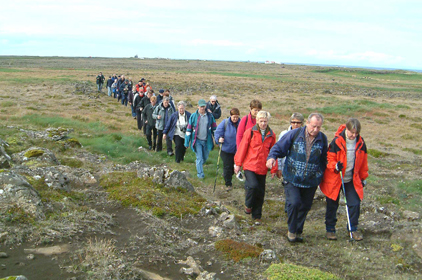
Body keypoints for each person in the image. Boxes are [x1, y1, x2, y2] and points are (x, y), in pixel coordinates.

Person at [266, 113, 328, 242]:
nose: (316, 129)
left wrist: (319, 173)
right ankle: (292, 231)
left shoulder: (323, 139)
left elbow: (324, 159)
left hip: (310, 181)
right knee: (294, 203)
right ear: (307, 123)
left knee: (305, 206)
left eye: (319, 127)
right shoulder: (294, 134)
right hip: (292, 178)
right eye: (314, 126)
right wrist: (272, 158)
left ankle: (298, 231)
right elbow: (278, 148)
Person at [320, 118, 368, 241]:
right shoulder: (337, 142)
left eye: (356, 133)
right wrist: (335, 166)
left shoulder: (361, 143)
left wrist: (363, 178)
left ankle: (353, 229)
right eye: (352, 132)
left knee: (354, 203)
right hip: (336, 178)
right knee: (332, 204)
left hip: (351, 179)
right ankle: (330, 229)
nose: (353, 135)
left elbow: (363, 163)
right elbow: (329, 158)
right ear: (346, 129)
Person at [234, 111, 280, 224]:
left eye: (265, 121)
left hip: (263, 168)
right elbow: (242, 148)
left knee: (260, 192)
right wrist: (238, 164)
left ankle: (257, 216)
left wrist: (274, 169)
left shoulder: (271, 135)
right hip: (250, 165)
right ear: (257, 121)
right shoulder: (250, 132)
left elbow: (274, 152)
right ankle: (248, 205)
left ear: (268, 121)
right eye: (261, 121)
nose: (263, 123)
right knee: (253, 186)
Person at [184, 99, 217, 179]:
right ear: (198, 106)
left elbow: (214, 128)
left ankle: (198, 164)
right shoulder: (193, 116)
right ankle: (200, 175)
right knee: (199, 157)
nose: (202, 108)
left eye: (204, 106)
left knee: (205, 158)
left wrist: (216, 139)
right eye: (201, 106)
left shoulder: (210, 116)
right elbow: (188, 130)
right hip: (197, 141)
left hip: (206, 140)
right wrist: (186, 142)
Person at [214, 108, 240, 190]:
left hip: (237, 150)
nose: (235, 119)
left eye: (237, 117)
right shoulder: (225, 123)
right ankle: (228, 184)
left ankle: (226, 175)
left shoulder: (241, 123)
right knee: (227, 166)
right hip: (226, 149)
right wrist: (219, 139)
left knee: (234, 167)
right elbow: (217, 132)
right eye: (234, 117)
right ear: (231, 116)